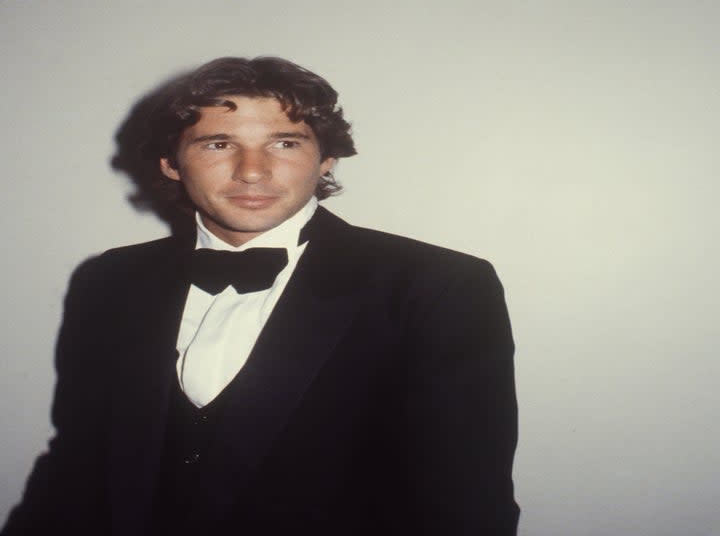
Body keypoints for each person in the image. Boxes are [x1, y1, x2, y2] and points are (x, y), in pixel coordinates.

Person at [2, 56, 519, 535]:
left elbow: (468, 503)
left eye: (285, 142)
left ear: (326, 160)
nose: (253, 170)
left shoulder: (440, 286)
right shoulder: (111, 279)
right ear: (170, 162)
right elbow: (79, 460)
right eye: (218, 143)